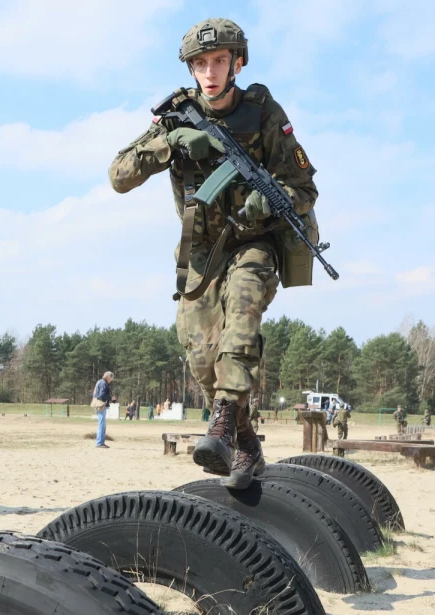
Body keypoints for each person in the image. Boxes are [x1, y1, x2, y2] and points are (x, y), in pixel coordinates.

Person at [109, 18, 318, 489]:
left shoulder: (263, 113)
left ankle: (222, 423)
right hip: (202, 252)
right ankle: (245, 443)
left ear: (237, 63)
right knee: (202, 356)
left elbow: (305, 188)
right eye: (200, 63)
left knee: (241, 321)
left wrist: (270, 199)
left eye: (219, 61)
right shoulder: (176, 115)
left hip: (254, 242)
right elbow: (118, 175)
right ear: (190, 69)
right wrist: (169, 144)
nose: (210, 72)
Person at [92, 371, 115, 448]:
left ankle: (101, 442)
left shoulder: (99, 382)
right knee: (101, 425)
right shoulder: (103, 383)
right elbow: (102, 395)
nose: (111, 380)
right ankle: (99, 443)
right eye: (111, 378)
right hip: (101, 405)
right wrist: (111, 398)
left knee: (102, 424)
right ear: (108, 377)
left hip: (98, 404)